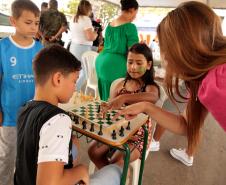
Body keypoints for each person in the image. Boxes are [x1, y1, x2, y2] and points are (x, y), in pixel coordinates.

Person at [108, 1, 226, 167]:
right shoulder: (201, 80)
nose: (162, 56)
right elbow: (185, 125)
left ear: (179, 47)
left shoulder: (218, 81)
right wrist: (146, 107)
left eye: (163, 46)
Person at [14, 45, 122, 185]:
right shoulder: (58, 119)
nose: (75, 87)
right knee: (116, 170)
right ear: (58, 79)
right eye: (74, 81)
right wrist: (81, 171)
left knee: (74, 142)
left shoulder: (25, 108)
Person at [88, 43, 159, 169]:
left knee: (116, 162)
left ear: (148, 65)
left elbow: (152, 97)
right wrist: (106, 107)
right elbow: (111, 105)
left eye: (138, 63)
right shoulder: (120, 84)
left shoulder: (150, 87)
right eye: (130, 62)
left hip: (137, 138)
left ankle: (113, 177)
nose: (133, 67)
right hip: (116, 130)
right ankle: (111, 178)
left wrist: (125, 97)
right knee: (93, 151)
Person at [0, 1, 42, 185]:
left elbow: (43, 82)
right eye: (28, 22)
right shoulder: (3, 48)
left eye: (36, 22)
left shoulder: (40, 49)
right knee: (7, 159)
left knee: (29, 158)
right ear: (13, 21)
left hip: (33, 116)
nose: (34, 27)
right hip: (10, 116)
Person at [95, 0, 139, 101]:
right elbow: (133, 52)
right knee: (116, 98)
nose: (134, 17)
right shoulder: (130, 27)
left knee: (105, 97)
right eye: (135, 14)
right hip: (116, 65)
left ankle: (103, 113)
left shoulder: (110, 25)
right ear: (132, 10)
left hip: (101, 61)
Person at [70, 0, 97, 92]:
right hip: (83, 48)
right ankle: (74, 90)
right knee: (87, 72)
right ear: (88, 9)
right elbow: (90, 37)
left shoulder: (74, 18)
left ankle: (70, 90)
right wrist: (95, 34)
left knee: (74, 71)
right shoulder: (85, 19)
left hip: (73, 47)